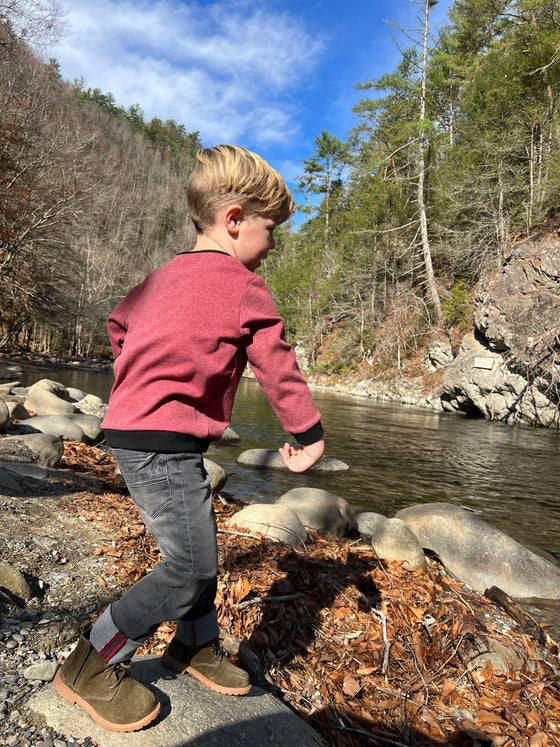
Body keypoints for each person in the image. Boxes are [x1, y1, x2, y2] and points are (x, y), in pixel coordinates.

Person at [54, 144, 325, 732]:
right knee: (192, 565)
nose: (273, 243)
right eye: (270, 228)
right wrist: (306, 431)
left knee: (197, 546)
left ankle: (196, 644)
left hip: (134, 431)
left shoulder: (161, 276)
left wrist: (135, 372)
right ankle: (90, 663)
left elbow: (119, 322)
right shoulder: (242, 285)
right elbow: (276, 364)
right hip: (161, 439)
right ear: (234, 220)